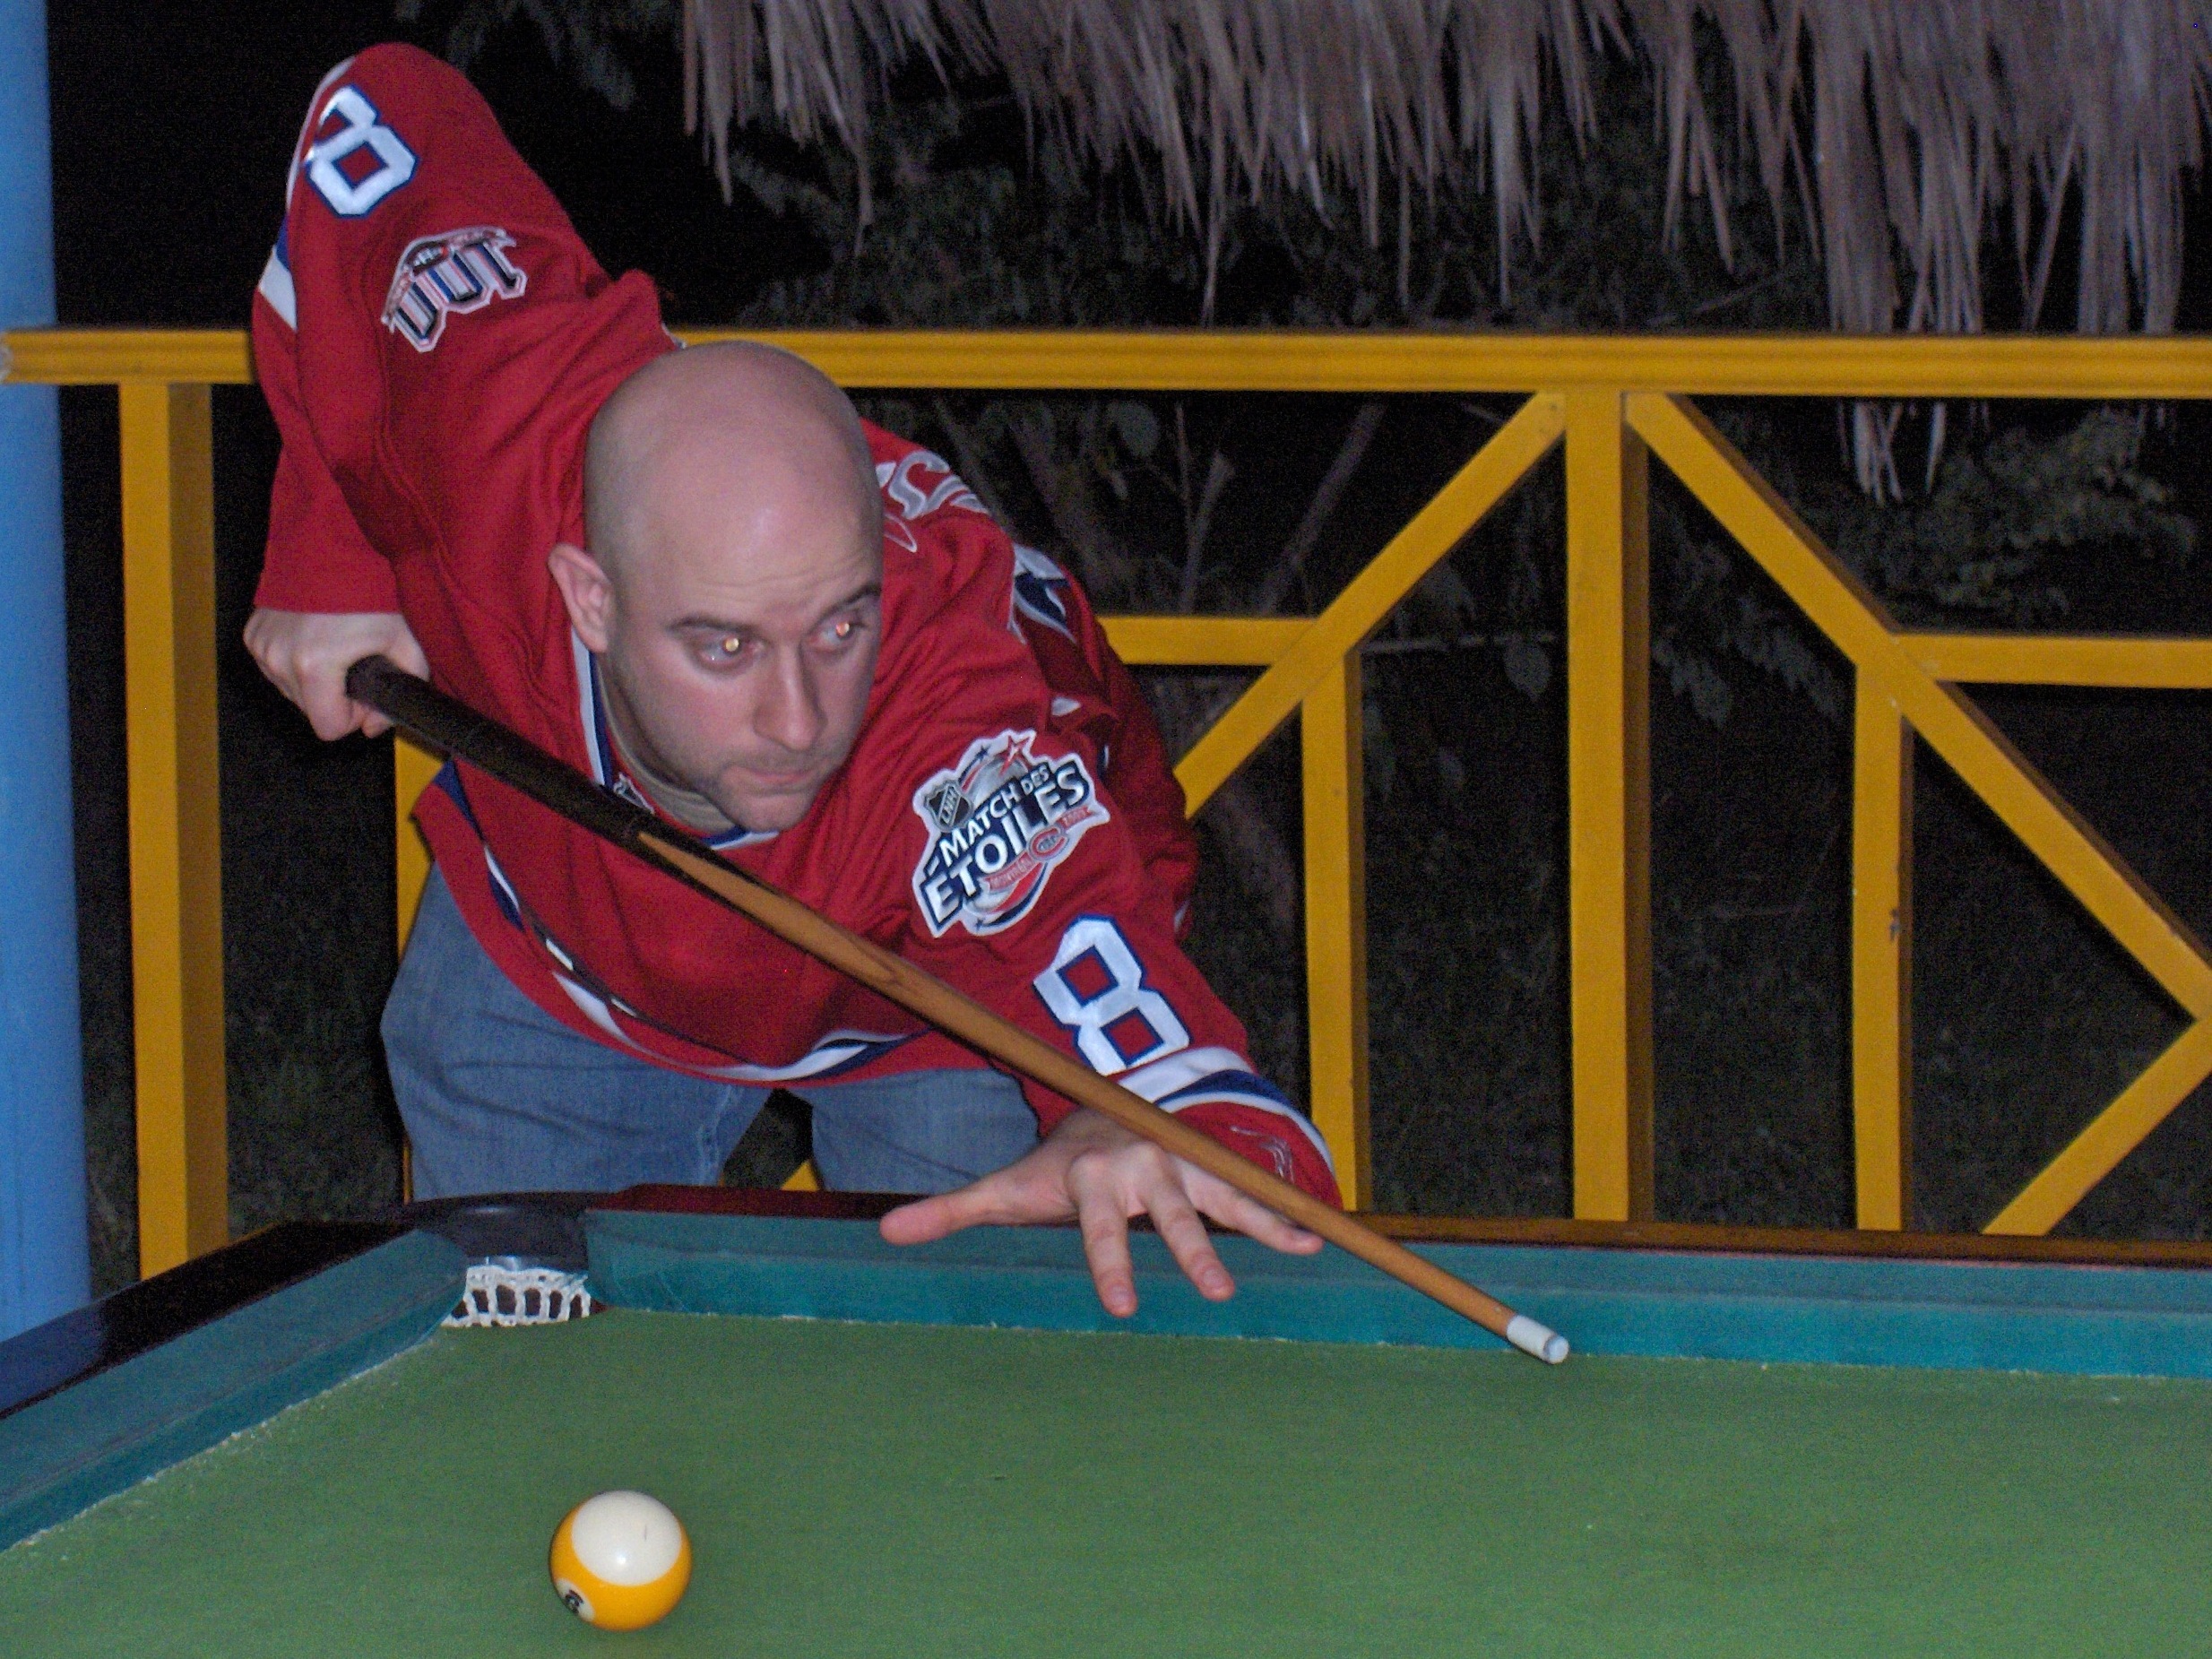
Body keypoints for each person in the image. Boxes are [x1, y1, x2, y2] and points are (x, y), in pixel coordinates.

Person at [244, 44, 1336, 1317]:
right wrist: (330, 550)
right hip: (558, 949)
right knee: (525, 1388)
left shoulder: (959, 747)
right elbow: (374, 114)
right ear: (589, 597)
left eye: (839, 626)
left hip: (930, 1003)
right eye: (724, 647)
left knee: (954, 1393)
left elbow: (1168, 1059)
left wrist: (1147, 1129)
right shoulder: (500, 418)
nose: (799, 719)